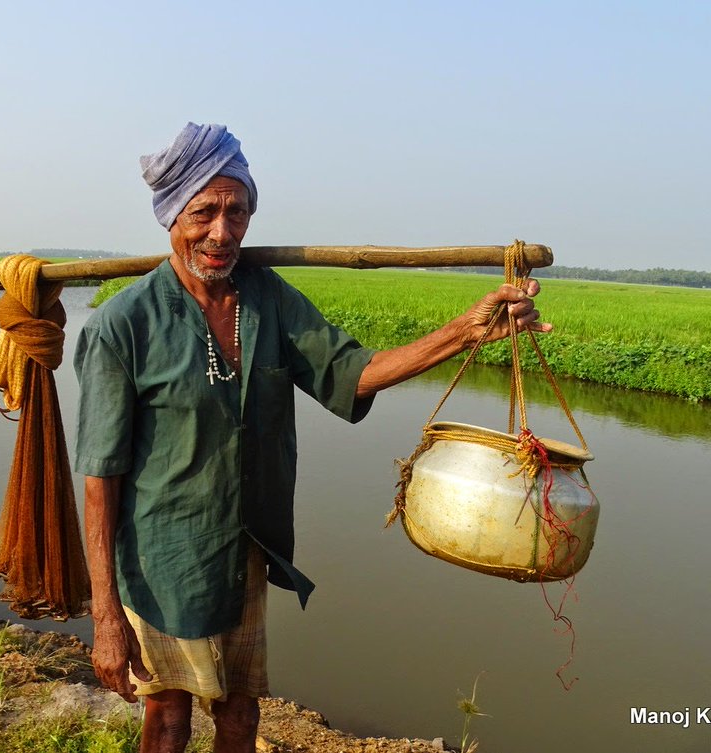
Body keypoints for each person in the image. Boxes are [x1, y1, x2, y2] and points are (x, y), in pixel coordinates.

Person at [73, 122, 549, 753]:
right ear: (171, 217)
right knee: (166, 717)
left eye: (236, 212)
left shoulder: (269, 299)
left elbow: (351, 375)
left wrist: (466, 332)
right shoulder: (121, 326)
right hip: (163, 557)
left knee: (241, 714)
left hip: (245, 550)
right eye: (204, 213)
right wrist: (106, 618)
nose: (222, 232)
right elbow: (100, 479)